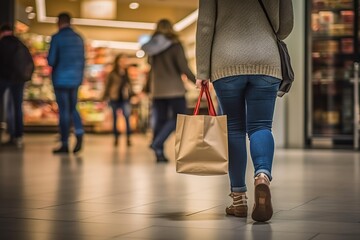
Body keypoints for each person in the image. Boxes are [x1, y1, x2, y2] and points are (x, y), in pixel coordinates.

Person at [195, 0, 294, 222]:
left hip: (225, 61)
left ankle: (238, 199)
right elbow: (286, 25)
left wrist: (202, 70)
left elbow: (205, 25)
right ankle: (262, 177)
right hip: (266, 59)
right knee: (261, 126)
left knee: (234, 130)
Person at [141, 19, 196, 163]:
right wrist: (196, 81)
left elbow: (150, 67)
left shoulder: (151, 47)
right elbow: (183, 67)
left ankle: (159, 153)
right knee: (180, 118)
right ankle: (157, 143)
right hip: (174, 89)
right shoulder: (176, 45)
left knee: (160, 120)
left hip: (158, 90)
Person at [47, 12, 85, 154]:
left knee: (63, 111)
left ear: (59, 22)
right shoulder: (78, 38)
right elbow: (83, 61)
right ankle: (79, 131)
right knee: (72, 107)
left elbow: (51, 60)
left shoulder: (57, 38)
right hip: (75, 80)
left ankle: (64, 143)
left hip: (60, 79)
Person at [0, 24, 33, 148]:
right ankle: (18, 136)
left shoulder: (2, 43)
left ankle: (9, 132)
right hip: (19, 80)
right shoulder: (20, 43)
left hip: (5, 79)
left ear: (2, 32)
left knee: (6, 107)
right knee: (17, 107)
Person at [103, 54, 133, 146]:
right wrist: (105, 96)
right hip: (114, 98)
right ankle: (116, 138)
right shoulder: (112, 73)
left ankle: (128, 138)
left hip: (125, 98)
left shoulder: (126, 73)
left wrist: (132, 95)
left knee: (127, 117)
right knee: (115, 118)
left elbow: (129, 85)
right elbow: (108, 86)